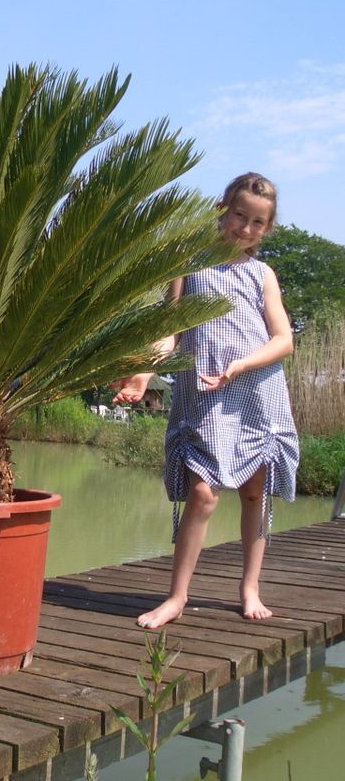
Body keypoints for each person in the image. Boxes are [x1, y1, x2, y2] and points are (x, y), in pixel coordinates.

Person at [113, 172, 299, 628]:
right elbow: (168, 334)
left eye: (258, 223)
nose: (246, 228)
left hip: (256, 390)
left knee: (255, 492)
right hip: (203, 393)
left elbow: (283, 339)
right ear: (223, 210)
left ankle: (249, 587)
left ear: (267, 229)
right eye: (240, 216)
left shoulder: (262, 274)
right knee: (202, 493)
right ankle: (176, 597)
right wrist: (143, 373)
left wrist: (240, 365)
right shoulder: (189, 266)